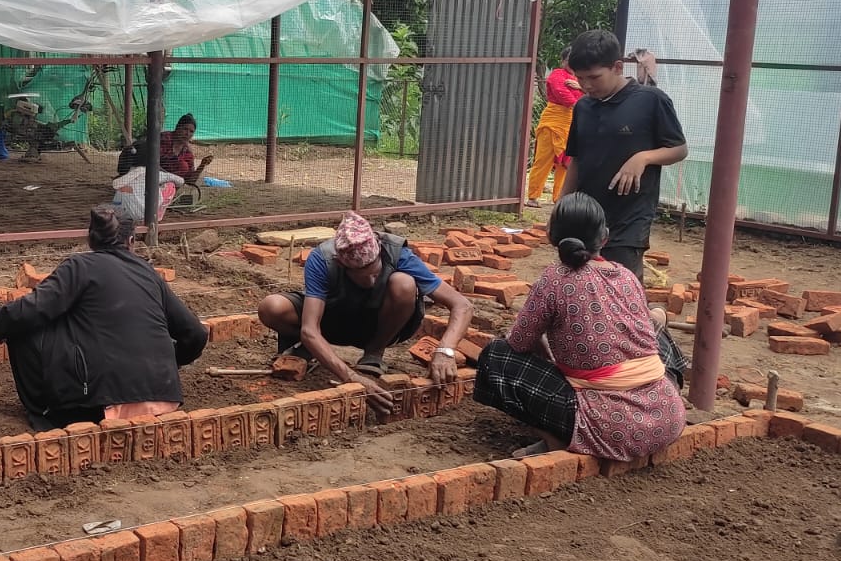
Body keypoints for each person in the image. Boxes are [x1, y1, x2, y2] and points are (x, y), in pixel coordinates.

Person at [474, 193, 686, 462]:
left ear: (551, 236)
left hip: (610, 426)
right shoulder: (626, 276)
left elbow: (518, 343)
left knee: (496, 356)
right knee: (658, 328)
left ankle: (556, 439)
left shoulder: (554, 279)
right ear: (605, 237)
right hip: (666, 417)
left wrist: (545, 349)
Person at [0, 205, 208, 430]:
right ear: (131, 241)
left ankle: (48, 411)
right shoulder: (148, 273)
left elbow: (33, 309)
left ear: (90, 239)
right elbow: (196, 333)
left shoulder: (80, 266)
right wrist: (168, 364)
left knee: (24, 328)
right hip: (164, 399)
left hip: (102, 405)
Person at [257, 211, 473, 413]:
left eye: (375, 273)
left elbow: (462, 305)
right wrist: (352, 377)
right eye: (362, 276)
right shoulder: (322, 259)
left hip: (378, 323)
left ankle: (374, 353)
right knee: (271, 307)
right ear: (341, 263)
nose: (371, 281)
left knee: (404, 283)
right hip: (333, 320)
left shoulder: (397, 253)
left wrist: (445, 351)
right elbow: (309, 329)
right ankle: (311, 348)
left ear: (379, 252)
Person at [563, 29, 688, 281]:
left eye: (594, 77)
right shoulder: (583, 106)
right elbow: (576, 159)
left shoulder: (651, 100)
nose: (586, 85)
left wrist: (643, 158)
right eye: (580, 78)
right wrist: (562, 206)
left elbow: (679, 149)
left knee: (621, 286)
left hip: (629, 217)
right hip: (586, 215)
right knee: (579, 284)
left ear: (617, 67)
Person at [525, 47, 581, 207]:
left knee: (566, 163)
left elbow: (591, 97)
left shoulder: (580, 79)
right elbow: (565, 97)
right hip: (552, 124)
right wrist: (582, 97)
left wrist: (580, 88)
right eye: (569, 59)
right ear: (563, 61)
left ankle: (560, 197)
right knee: (544, 160)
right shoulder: (557, 75)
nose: (573, 63)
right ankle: (533, 196)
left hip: (571, 124)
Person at [158, 113, 212, 186]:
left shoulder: (188, 153)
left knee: (183, 166)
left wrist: (202, 165)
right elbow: (150, 161)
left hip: (169, 184)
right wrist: (169, 177)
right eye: (185, 129)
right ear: (177, 127)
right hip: (152, 176)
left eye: (191, 131)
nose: (187, 134)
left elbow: (190, 181)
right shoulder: (164, 138)